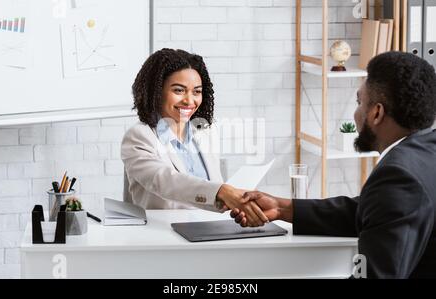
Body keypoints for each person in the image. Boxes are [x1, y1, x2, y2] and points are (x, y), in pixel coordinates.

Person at [231, 52, 436, 279]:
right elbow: (377, 212)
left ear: (376, 113)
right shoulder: (427, 152)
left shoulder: (398, 175)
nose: (355, 114)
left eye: (359, 102)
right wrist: (282, 208)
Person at [121, 48, 267, 225]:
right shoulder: (139, 136)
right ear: (156, 91)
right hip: (165, 236)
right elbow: (165, 181)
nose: (190, 101)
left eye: (196, 92)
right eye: (179, 90)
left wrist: (236, 201)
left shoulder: (205, 131)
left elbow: (214, 186)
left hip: (210, 229)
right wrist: (222, 192)